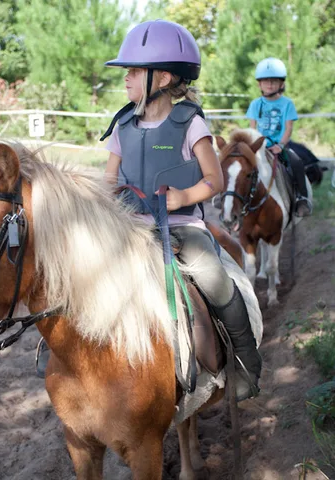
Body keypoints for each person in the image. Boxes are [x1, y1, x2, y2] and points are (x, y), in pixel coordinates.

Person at [101, 19, 262, 402]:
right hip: (130, 227)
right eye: (126, 72)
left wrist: (180, 197)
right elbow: (109, 181)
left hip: (182, 227)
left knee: (214, 279)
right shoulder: (122, 125)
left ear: (163, 78)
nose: (126, 79)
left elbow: (215, 180)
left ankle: (244, 361)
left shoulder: (191, 124)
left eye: (135, 71)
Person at [246, 57, 312, 217]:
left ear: (281, 84)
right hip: (260, 146)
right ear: (259, 84)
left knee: (296, 161)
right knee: (240, 164)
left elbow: (288, 128)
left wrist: (281, 145)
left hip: (279, 145)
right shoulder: (255, 104)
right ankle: (233, 199)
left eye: (274, 81)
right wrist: (254, 146)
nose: (269, 84)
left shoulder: (287, 104)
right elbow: (252, 128)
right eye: (266, 81)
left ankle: (301, 198)